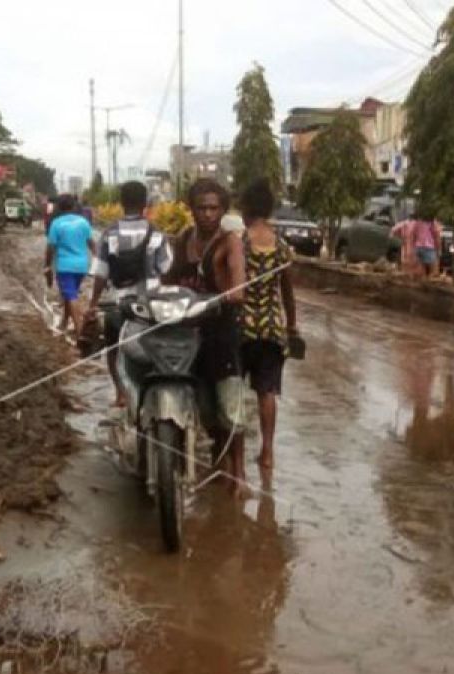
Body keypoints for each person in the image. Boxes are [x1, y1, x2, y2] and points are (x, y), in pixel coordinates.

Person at [165, 178, 248, 493]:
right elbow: (168, 280)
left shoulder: (230, 242)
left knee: (230, 407)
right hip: (188, 336)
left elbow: (238, 285)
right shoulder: (182, 240)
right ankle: (218, 460)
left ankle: (239, 474)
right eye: (202, 208)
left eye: (214, 208)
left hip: (222, 334)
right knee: (205, 407)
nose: (208, 214)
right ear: (191, 209)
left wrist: (224, 296)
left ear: (223, 210)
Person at [86, 180, 173, 406]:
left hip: (117, 303)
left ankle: (121, 393)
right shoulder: (157, 235)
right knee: (153, 345)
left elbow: (101, 273)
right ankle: (151, 391)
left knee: (113, 347)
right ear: (146, 204)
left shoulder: (109, 234)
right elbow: (166, 269)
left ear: (121, 203)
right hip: (151, 304)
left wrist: (93, 304)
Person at [238, 180, 298, 474]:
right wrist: (293, 328)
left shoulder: (239, 243)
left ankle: (232, 459)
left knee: (234, 389)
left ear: (246, 208)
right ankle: (268, 453)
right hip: (273, 328)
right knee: (267, 392)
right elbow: (287, 292)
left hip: (242, 327)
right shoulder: (282, 246)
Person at [45, 194, 95, 337]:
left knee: (70, 296)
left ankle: (81, 332)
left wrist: (47, 265)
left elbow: (50, 248)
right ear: (74, 206)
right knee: (69, 294)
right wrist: (97, 261)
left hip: (65, 267)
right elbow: (92, 244)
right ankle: (64, 322)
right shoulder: (83, 222)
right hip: (81, 267)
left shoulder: (56, 223)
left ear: (59, 207)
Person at [412, 210, 443, 279]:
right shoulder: (433, 223)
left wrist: (413, 247)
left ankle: (422, 285)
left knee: (421, 271)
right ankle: (430, 284)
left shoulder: (418, 223)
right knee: (434, 271)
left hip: (418, 247)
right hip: (429, 248)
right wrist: (439, 249)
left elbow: (414, 235)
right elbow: (437, 237)